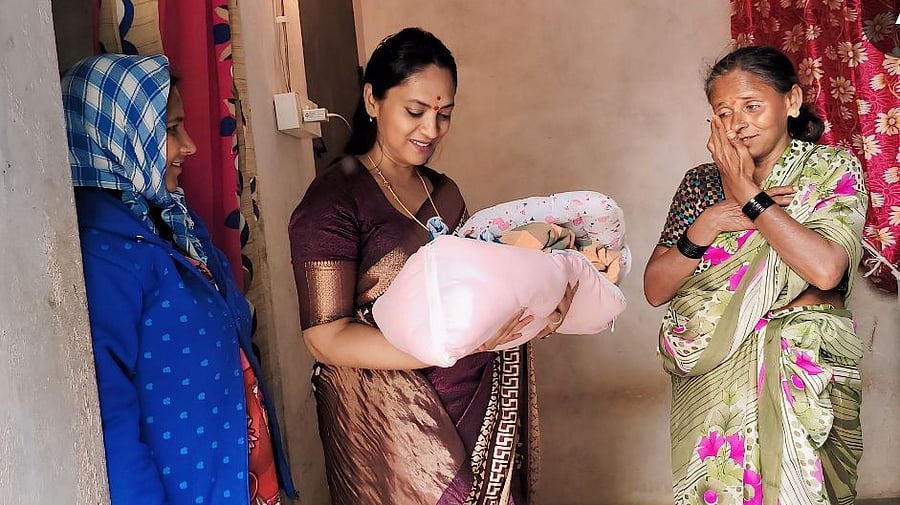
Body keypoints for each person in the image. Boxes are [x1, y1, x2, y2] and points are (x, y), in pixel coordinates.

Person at [289, 27, 574, 504]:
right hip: (390, 424)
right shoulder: (334, 201)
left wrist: (536, 314)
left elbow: (476, 291)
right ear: (373, 100)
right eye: (416, 111)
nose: (431, 129)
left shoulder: (445, 193)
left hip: (474, 398)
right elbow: (325, 336)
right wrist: (441, 349)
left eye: (444, 115)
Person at [62, 53, 296, 505]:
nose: (188, 145)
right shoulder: (102, 254)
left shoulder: (172, 223)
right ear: (116, 136)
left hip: (239, 479)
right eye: (171, 130)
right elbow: (107, 415)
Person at [644, 45, 867, 505]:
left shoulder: (831, 169)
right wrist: (706, 225)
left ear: (791, 101)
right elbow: (655, 288)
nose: (738, 122)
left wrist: (749, 195)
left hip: (803, 366)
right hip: (717, 376)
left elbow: (826, 269)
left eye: (751, 106)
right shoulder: (701, 185)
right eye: (723, 112)